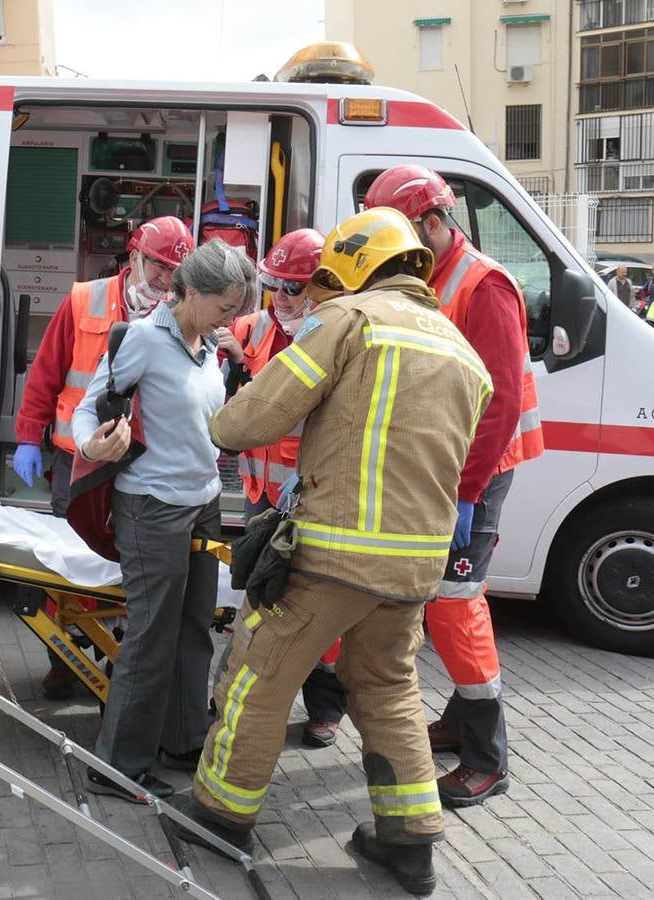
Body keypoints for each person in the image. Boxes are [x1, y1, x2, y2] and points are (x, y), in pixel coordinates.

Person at [173, 207, 491, 896]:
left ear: (351, 262)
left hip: (334, 558)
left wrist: (224, 415)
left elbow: (252, 419)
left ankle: (218, 819)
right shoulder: (459, 348)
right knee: (388, 690)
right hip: (415, 568)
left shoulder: (351, 321)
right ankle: (409, 843)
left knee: (260, 677)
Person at [364, 164, 544, 807]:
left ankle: (487, 757)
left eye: (404, 238)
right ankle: (461, 720)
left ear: (435, 224)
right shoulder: (431, 278)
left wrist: (467, 492)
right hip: (447, 469)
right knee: (441, 602)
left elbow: (494, 406)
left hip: (478, 471)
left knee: (455, 606)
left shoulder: (484, 285)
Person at [72, 241, 254, 803]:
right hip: (151, 506)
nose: (233, 317)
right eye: (225, 306)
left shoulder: (209, 348)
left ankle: (182, 739)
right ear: (190, 293)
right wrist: (93, 445)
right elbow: (86, 407)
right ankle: (118, 765)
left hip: (200, 502)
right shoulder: (145, 341)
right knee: (152, 636)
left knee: (194, 625)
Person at [12, 216, 195, 699]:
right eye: (158, 264)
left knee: (128, 565)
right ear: (133, 255)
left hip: (143, 462)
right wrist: (30, 436)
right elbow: (47, 373)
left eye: (175, 270)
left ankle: (122, 656)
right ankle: (63, 659)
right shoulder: (83, 299)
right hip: (80, 459)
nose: (165, 278)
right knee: (70, 563)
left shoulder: (184, 315)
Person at [227, 228, 347, 749]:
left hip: (313, 499)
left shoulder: (337, 336)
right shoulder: (252, 328)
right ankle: (258, 699)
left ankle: (325, 707)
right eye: (273, 285)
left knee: (319, 613)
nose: (280, 298)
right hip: (262, 497)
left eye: (292, 288)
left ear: (322, 286)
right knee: (263, 602)